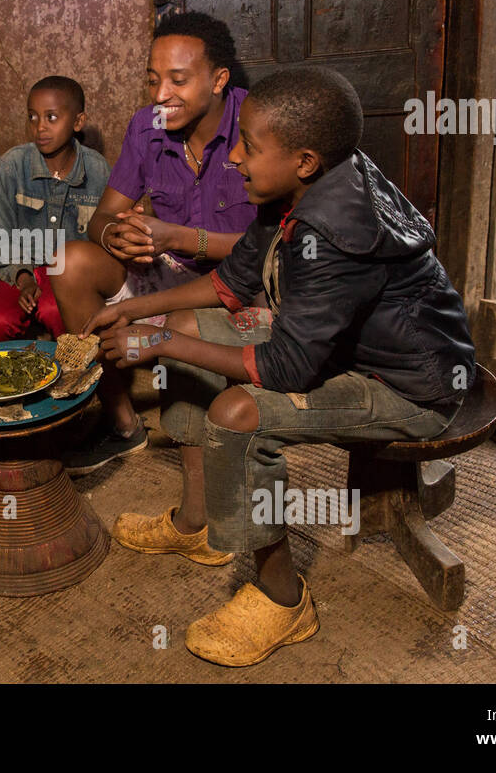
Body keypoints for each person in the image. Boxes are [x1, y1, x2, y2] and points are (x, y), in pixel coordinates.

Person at [85, 67, 475, 667]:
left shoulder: (334, 229)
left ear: (305, 160)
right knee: (184, 330)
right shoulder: (291, 192)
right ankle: (195, 523)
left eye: (251, 146)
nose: (235, 157)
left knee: (237, 413)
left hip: (410, 387)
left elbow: (288, 368)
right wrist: (138, 310)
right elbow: (234, 282)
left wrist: (156, 343)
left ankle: (282, 599)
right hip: (348, 347)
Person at [53, 11, 256, 475]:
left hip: (239, 280)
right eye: (153, 80)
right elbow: (100, 217)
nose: (162, 94)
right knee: (69, 264)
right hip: (168, 268)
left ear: (219, 79)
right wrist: (116, 234)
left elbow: (270, 250)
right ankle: (124, 425)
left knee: (192, 319)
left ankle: (216, 451)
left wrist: (178, 236)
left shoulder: (257, 124)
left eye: (178, 80)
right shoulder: (147, 126)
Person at [0, 75, 110, 342]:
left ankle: (72, 379)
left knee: (57, 311)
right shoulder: (11, 165)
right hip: (16, 272)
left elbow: (102, 245)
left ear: (77, 122)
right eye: (32, 117)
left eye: (51, 117)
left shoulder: (97, 170)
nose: (39, 127)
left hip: (70, 277)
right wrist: (24, 276)